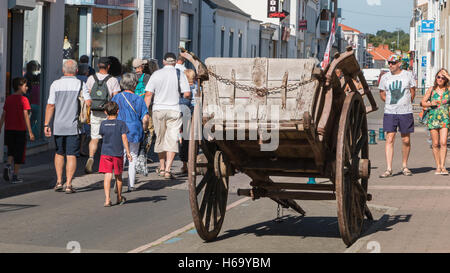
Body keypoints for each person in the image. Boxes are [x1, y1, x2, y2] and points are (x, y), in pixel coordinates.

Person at [44, 59, 92, 193]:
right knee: (71, 155)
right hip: (74, 126)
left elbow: (50, 105)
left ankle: (59, 181)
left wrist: (47, 124)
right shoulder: (80, 84)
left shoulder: (55, 84)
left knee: (59, 153)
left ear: (63, 70)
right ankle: (69, 184)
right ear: (76, 71)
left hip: (59, 125)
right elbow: (88, 103)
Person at [144, 52, 191, 179]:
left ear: (164, 62)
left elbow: (148, 94)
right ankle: (168, 170)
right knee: (172, 139)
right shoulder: (179, 74)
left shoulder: (156, 74)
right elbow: (187, 94)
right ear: (175, 62)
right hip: (174, 109)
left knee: (160, 138)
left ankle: (162, 166)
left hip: (158, 109)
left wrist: (144, 113)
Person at [378, 54, 416, 178]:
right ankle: (389, 168)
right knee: (390, 138)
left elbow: (412, 92)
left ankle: (405, 165)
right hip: (390, 112)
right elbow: (382, 94)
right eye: (389, 62)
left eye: (393, 63)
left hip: (405, 112)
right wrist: (391, 101)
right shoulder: (385, 77)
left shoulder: (408, 75)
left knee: (406, 139)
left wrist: (404, 102)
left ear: (399, 63)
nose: (390, 65)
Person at [112, 73, 149, 192]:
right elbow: (145, 118)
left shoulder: (116, 98)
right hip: (135, 129)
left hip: (119, 128)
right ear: (134, 84)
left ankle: (118, 181)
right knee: (132, 155)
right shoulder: (139, 99)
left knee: (120, 155)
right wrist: (145, 129)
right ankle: (131, 184)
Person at [85, 57, 121, 174]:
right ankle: (105, 163)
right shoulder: (113, 80)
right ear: (108, 66)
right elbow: (116, 98)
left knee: (94, 137)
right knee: (107, 138)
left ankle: (91, 157)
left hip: (95, 111)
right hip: (108, 112)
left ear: (98, 65)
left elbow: (88, 96)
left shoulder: (91, 78)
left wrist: (88, 113)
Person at [0, 77, 35, 183]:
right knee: (19, 154)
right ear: (20, 86)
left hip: (9, 129)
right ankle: (15, 176)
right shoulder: (24, 99)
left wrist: (0, 127)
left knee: (11, 151)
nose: (27, 87)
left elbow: (4, 115)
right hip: (20, 130)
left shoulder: (9, 98)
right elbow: (26, 116)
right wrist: (30, 132)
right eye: (25, 85)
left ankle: (7, 166)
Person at [98, 101, 131, 207]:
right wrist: (128, 152)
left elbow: (102, 137)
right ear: (118, 111)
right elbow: (124, 138)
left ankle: (107, 199)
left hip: (105, 153)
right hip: (117, 153)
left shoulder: (103, 124)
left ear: (105, 112)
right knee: (118, 176)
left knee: (107, 175)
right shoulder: (121, 124)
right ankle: (119, 197)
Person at [421, 69, 450, 175]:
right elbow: (422, 102)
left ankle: (443, 166)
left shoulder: (448, 89)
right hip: (433, 118)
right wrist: (430, 103)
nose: (440, 79)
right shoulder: (432, 89)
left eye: (443, 77)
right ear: (435, 78)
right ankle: (438, 166)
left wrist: (448, 76)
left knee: (443, 143)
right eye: (438, 77)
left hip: (445, 118)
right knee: (435, 143)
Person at [178, 69, 197, 174]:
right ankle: (192, 162)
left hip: (186, 112)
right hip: (196, 113)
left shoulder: (184, 88)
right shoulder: (198, 86)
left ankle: (185, 164)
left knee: (184, 139)